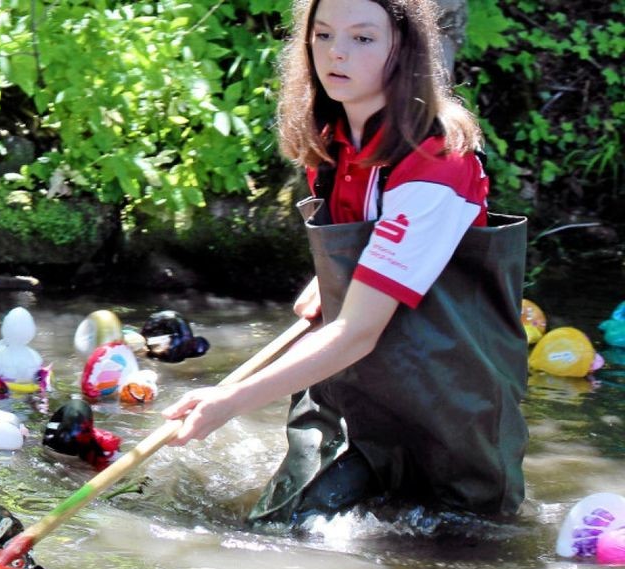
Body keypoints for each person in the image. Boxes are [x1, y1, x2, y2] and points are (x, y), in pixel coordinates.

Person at [162, 0, 529, 526]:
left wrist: (228, 400)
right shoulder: (333, 143)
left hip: (448, 412)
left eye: (362, 38)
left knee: (455, 551)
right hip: (353, 397)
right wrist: (337, 276)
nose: (336, 53)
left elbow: (357, 331)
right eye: (323, 35)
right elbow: (381, 249)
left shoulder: (435, 165)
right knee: (281, 528)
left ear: (400, 49)